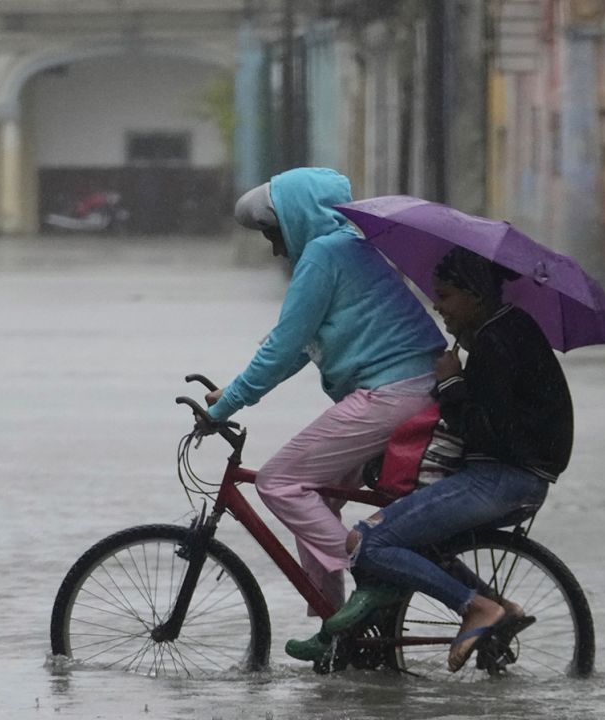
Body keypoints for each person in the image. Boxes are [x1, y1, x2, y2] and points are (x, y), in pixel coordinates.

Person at [203, 168, 446, 651]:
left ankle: (372, 570)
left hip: (392, 393)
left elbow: (281, 349)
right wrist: (231, 392)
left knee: (278, 483)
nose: (276, 248)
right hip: (409, 388)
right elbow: (298, 349)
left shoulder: (323, 253)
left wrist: (223, 409)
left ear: (299, 219)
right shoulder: (346, 248)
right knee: (318, 499)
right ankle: (339, 630)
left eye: (275, 233)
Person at [303, 247, 575, 671]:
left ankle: (476, 607)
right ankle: (502, 607)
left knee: (367, 543)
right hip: (513, 475)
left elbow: (486, 429)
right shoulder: (502, 332)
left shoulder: (497, 340)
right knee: (415, 544)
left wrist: (450, 383)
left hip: (502, 480)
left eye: (446, 296)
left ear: (476, 296)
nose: (438, 306)